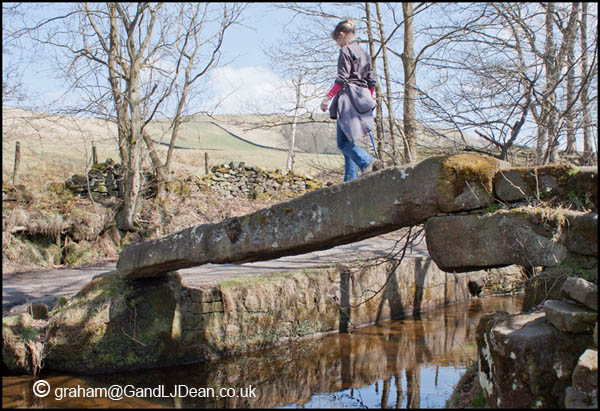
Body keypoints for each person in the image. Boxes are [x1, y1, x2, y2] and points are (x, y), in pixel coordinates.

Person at [320, 18, 383, 182]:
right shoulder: (364, 53)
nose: (338, 44)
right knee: (348, 139)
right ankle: (350, 178)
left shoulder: (346, 51)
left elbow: (342, 78)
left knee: (342, 142)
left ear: (341, 34)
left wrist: (328, 98)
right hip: (362, 98)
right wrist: (367, 98)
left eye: (338, 40)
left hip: (348, 99)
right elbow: (372, 81)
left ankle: (368, 162)